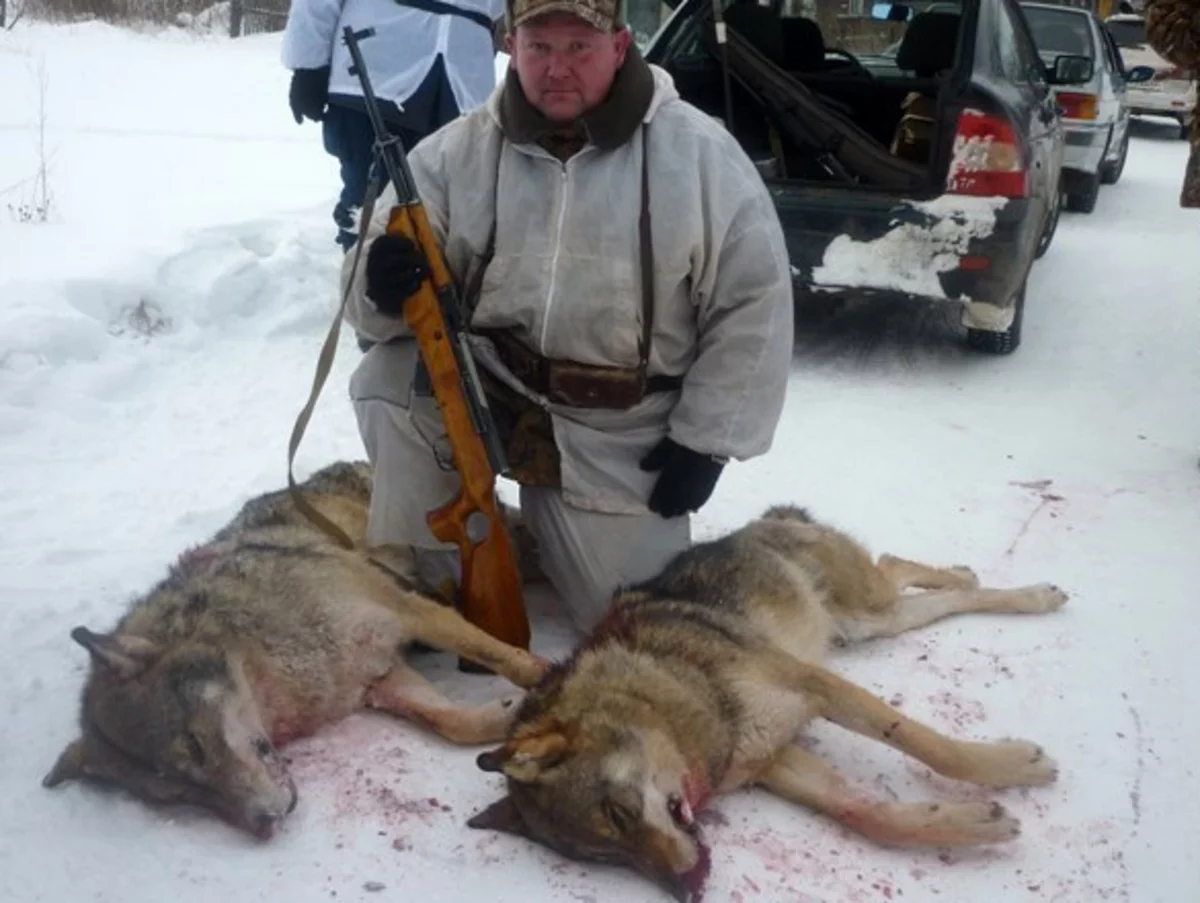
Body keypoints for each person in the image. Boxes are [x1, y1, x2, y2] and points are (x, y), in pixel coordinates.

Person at [340, 0, 795, 632]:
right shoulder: (454, 154)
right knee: (387, 381)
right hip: (488, 392)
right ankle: (443, 568)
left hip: (616, 428)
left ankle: (551, 533)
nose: (557, 69)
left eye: (579, 48)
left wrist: (707, 441)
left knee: (632, 627)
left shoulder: (699, 156)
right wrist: (379, 283)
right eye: (539, 47)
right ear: (510, 46)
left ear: (620, 45)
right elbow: (366, 289)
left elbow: (755, 303)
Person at [280, 0, 506, 249]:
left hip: (464, 78)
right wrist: (308, 66)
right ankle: (362, 282)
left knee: (449, 215)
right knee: (370, 208)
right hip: (376, 68)